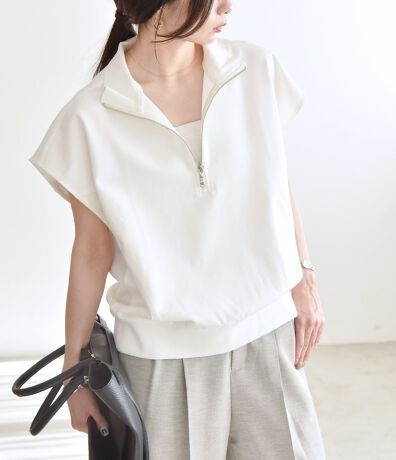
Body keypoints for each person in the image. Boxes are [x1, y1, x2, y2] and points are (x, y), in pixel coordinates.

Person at [28, 0, 327, 458]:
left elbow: (276, 181)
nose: (227, 6)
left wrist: (304, 278)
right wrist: (74, 369)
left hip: (267, 338)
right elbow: (91, 251)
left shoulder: (254, 71)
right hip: (161, 361)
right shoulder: (90, 118)